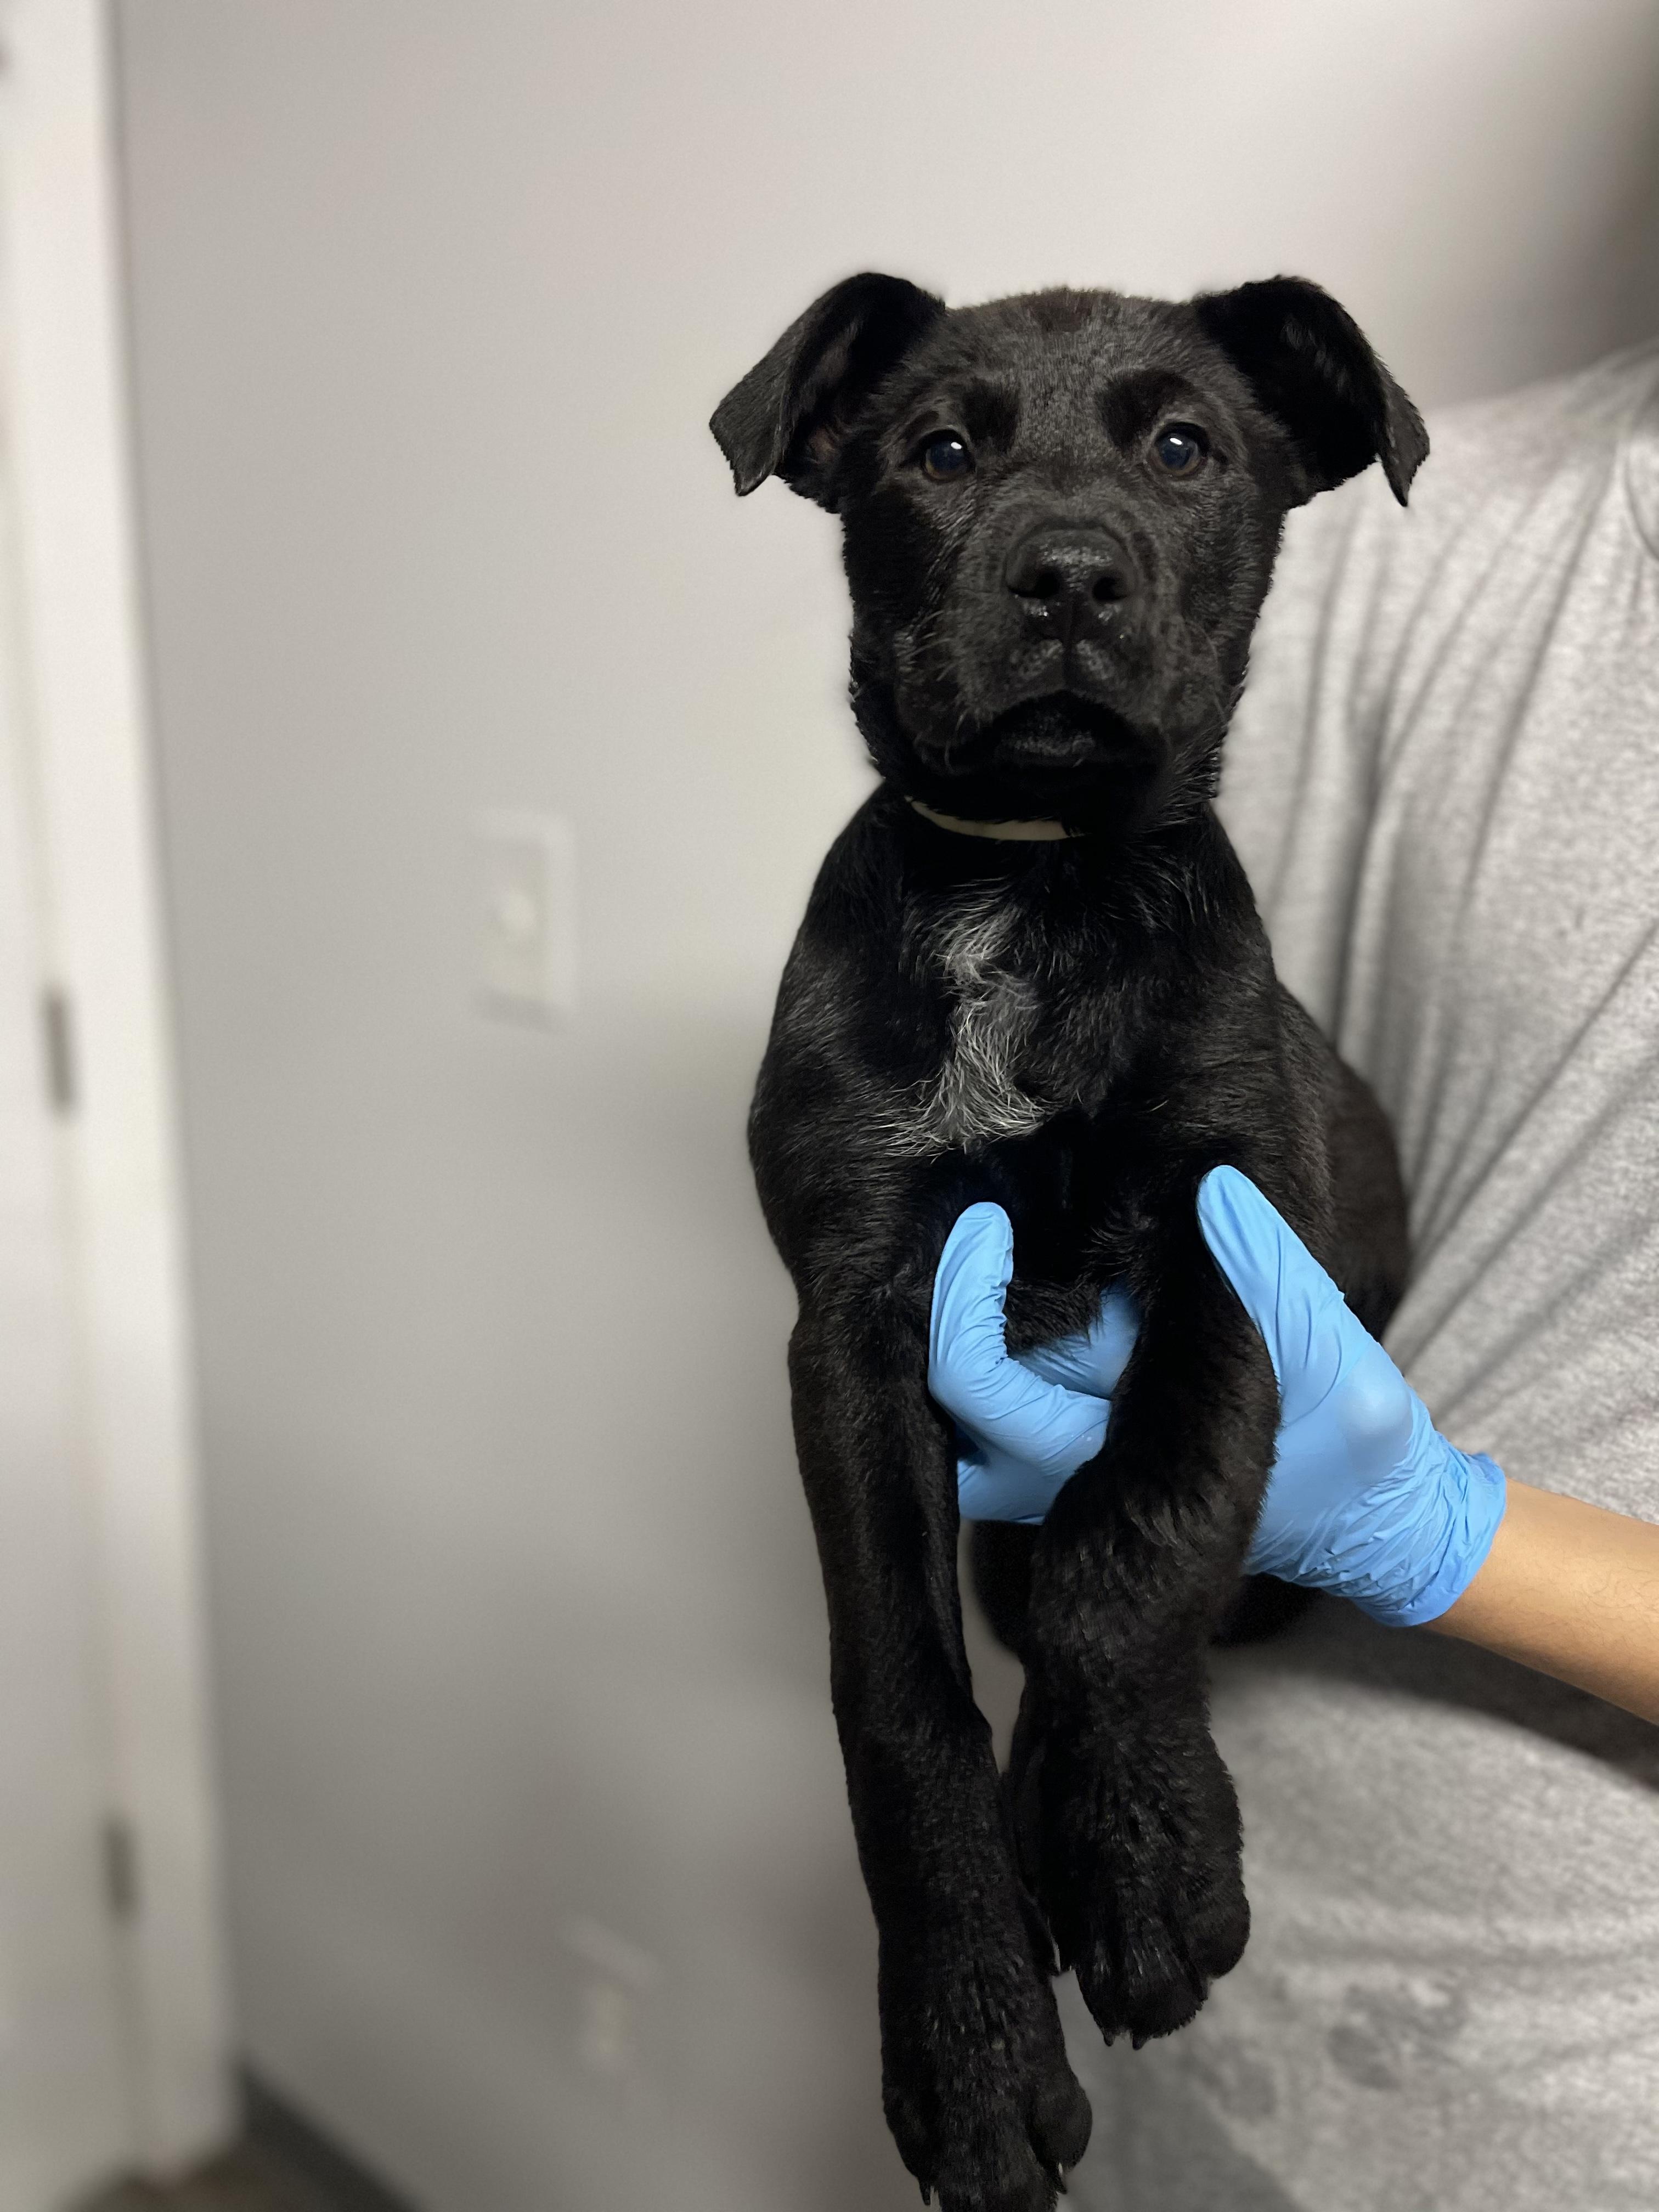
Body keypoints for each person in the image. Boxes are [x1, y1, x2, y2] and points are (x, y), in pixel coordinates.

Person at [927, 340, 1659, 2210]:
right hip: (1184, 1920)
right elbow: (1196, 1125)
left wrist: (1442, 1537)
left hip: (1595, 2090)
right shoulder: (1424, 522)